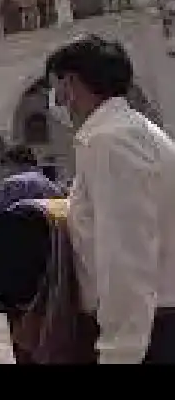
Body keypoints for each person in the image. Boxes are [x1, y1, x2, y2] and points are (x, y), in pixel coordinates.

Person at [45, 34, 175, 364]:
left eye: (56, 87)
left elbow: (125, 253)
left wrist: (121, 351)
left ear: (71, 83)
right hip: (153, 320)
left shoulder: (108, 141)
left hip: (144, 332)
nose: (56, 99)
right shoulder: (131, 130)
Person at [0, 144, 65, 363]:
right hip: (53, 265)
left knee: (22, 335)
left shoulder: (12, 185)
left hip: (21, 271)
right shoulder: (53, 186)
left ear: (15, 163)